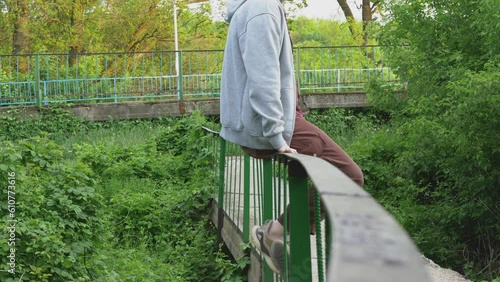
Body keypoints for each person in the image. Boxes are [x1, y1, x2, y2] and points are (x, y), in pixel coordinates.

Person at [219, 0, 364, 276]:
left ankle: (276, 231)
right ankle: (275, 232)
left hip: (264, 125)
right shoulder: (262, 8)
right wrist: (276, 135)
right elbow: (264, 79)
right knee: (349, 175)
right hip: (270, 127)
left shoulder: (256, 7)